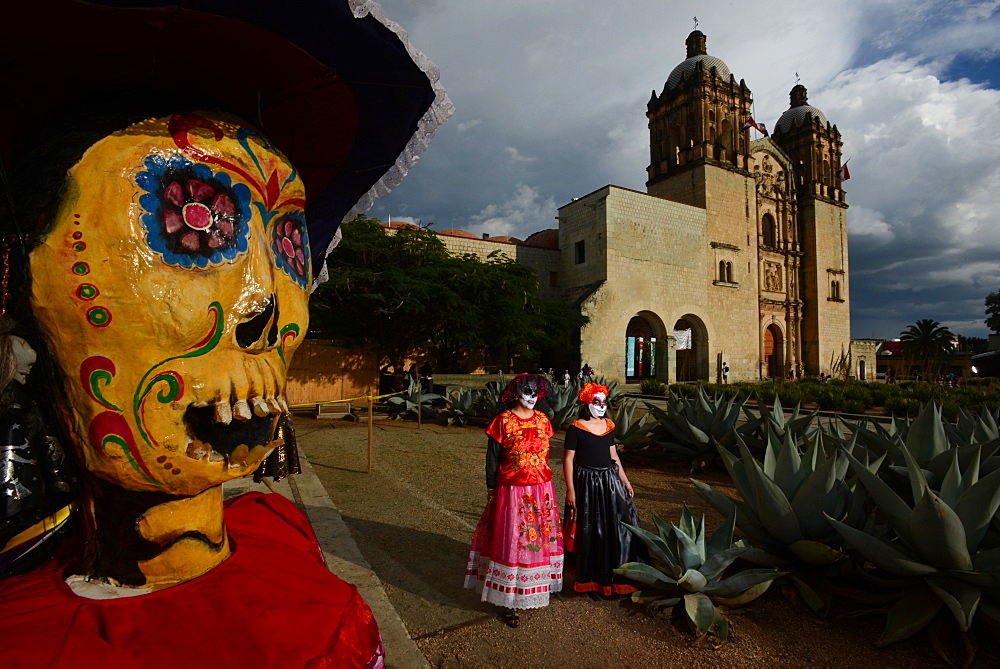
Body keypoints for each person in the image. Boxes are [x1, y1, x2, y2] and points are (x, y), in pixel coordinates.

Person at [464, 373, 563, 628]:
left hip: (541, 490)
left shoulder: (543, 420)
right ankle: (507, 600)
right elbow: (492, 458)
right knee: (511, 540)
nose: (532, 397)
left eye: (535, 393)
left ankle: (532, 587)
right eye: (526, 392)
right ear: (516, 394)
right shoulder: (503, 421)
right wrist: (491, 487)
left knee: (537, 539)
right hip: (511, 490)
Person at [563, 383, 645, 595]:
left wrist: (626, 482)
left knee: (614, 525)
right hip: (586, 485)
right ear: (586, 403)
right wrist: (570, 490)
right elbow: (568, 460)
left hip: (608, 482)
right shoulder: (576, 428)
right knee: (589, 527)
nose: (601, 406)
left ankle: (613, 573)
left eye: (604, 402)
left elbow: (614, 457)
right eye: (596, 402)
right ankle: (589, 575)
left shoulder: (609, 426)